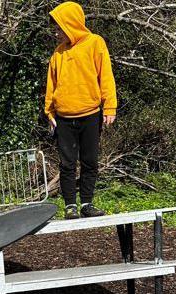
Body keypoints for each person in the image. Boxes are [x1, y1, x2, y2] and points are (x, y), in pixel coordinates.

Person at [44, 1, 117, 219]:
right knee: (67, 164)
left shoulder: (95, 43)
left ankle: (86, 203)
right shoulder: (58, 54)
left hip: (91, 115)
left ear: (71, 25)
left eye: (59, 28)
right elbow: (51, 86)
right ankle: (70, 206)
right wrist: (50, 113)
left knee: (90, 161)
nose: (56, 33)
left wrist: (110, 105)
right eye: (55, 29)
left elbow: (106, 76)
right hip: (64, 118)